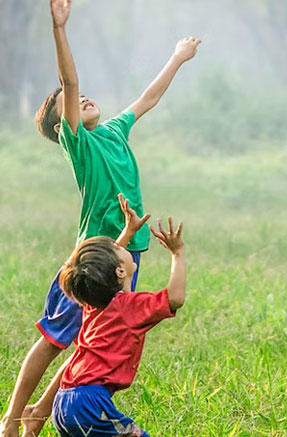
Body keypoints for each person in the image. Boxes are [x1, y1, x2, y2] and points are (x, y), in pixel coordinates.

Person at [0, 0, 200, 435]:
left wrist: (177, 57)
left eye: (81, 98)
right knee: (56, 339)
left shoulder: (112, 131)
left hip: (129, 251)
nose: (81, 97)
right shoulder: (80, 143)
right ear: (63, 124)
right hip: (91, 257)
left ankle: (40, 414)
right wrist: (59, 29)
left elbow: (148, 98)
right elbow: (69, 80)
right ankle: (11, 419)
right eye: (67, 103)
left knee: (93, 339)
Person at [51, 198, 185, 437]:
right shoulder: (129, 307)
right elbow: (175, 298)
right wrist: (178, 253)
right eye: (120, 248)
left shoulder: (95, 303)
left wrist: (128, 231)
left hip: (63, 402)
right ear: (120, 271)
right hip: (89, 404)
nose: (123, 246)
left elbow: (103, 270)